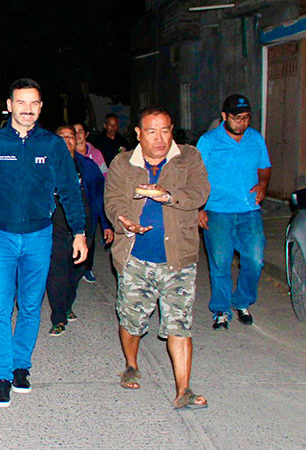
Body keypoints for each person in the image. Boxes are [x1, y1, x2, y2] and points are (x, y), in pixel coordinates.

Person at [0, 78, 87, 407]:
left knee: (31, 306)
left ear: (41, 107)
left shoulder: (53, 145)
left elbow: (70, 191)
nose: (27, 109)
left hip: (39, 236)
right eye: (21, 102)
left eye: (33, 103)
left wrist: (79, 231)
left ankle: (21, 366)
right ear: (9, 105)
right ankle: (1, 376)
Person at [104, 106, 210, 410]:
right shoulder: (123, 163)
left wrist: (168, 196)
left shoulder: (189, 157)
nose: (159, 138)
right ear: (139, 133)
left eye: (165, 130)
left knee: (179, 324)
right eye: (151, 131)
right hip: (135, 258)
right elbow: (113, 200)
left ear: (172, 130)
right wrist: (124, 220)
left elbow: (200, 192)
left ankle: (184, 389)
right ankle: (131, 364)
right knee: (132, 321)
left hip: (179, 259)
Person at [197, 94, 272, 330]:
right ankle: (221, 309)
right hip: (217, 210)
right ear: (224, 116)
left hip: (249, 210)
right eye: (237, 118)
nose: (242, 123)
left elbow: (265, 167)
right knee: (221, 262)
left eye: (246, 118)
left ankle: (241, 301)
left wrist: (262, 185)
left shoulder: (255, 138)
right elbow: (195, 176)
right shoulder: (208, 141)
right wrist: (199, 208)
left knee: (255, 260)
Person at [44, 125, 94, 336]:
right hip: (56, 228)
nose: (66, 140)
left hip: (83, 228)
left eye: (70, 136)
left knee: (75, 273)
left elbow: (100, 195)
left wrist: (107, 225)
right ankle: (58, 317)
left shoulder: (87, 166)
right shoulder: (46, 165)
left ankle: (67, 304)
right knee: (56, 274)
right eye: (61, 137)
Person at [73, 122, 113, 283]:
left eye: (80, 131)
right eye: (74, 132)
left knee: (90, 236)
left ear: (86, 134)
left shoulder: (95, 155)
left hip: (92, 202)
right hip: (76, 203)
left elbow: (104, 176)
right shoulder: (67, 154)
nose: (78, 135)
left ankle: (87, 267)